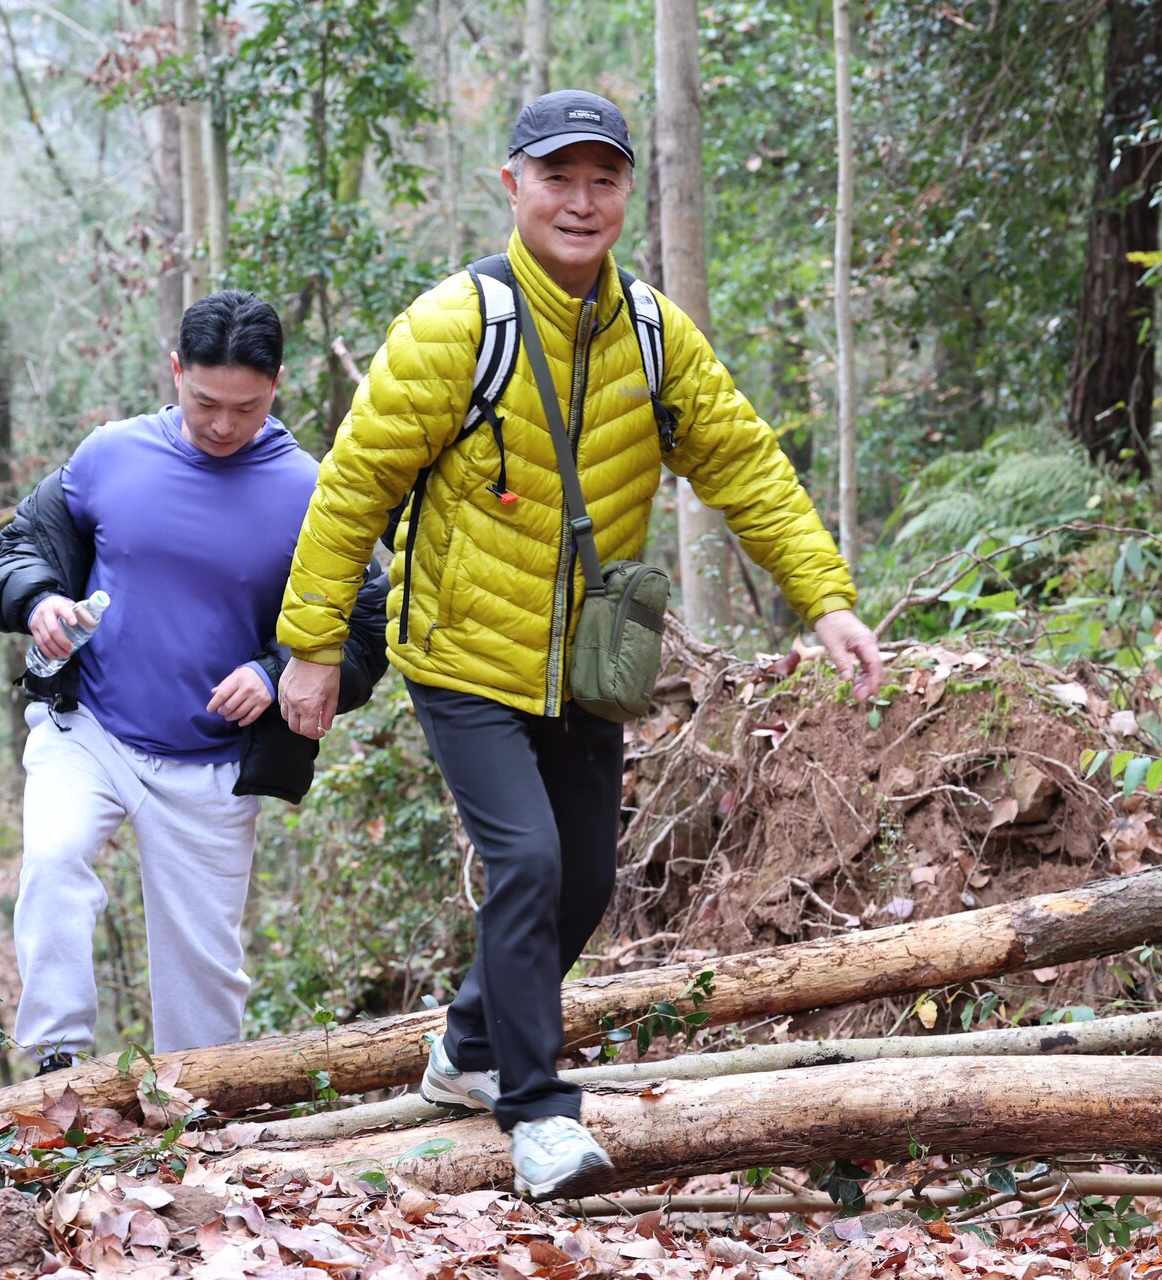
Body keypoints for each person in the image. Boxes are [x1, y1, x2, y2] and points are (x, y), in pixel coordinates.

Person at [274, 90, 883, 1199]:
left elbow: (743, 461)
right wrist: (313, 645)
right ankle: (537, 1110)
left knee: (589, 877)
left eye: (603, 180)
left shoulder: (653, 332)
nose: (581, 200)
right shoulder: (454, 327)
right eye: (559, 177)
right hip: (463, 651)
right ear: (512, 185)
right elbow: (350, 492)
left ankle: (464, 1049)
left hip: (597, 649)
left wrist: (825, 597)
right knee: (529, 861)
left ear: (625, 196)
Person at [0, 290, 388, 1072]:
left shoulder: (311, 492)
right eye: (205, 401)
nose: (223, 424)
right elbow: (21, 547)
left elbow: (367, 622)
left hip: (212, 763)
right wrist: (40, 600)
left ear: (277, 386)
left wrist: (275, 672)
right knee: (55, 859)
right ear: (175, 371)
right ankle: (57, 1068)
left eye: (245, 405)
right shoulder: (109, 454)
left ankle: (196, 1124)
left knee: (203, 990)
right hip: (89, 728)